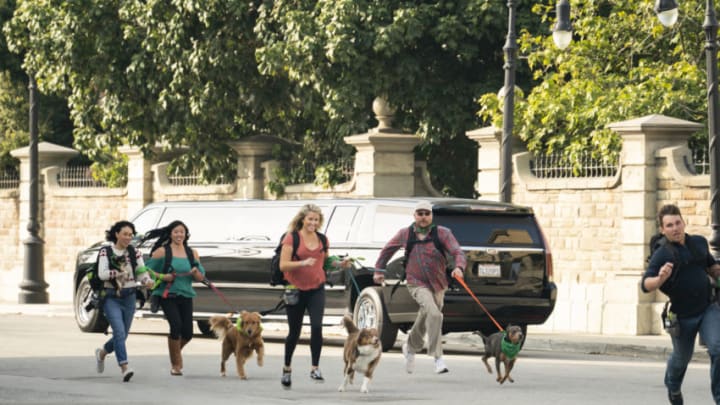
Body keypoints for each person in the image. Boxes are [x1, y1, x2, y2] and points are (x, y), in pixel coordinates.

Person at [372, 200, 466, 374]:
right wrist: (379, 270)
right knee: (435, 314)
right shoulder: (405, 234)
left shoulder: (443, 233)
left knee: (426, 314)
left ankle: (410, 346)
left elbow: (457, 252)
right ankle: (438, 358)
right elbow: (387, 250)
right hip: (416, 282)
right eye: (420, 213)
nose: (423, 217)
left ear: (431, 215)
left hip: (438, 283)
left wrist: (459, 267)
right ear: (414, 216)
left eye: (427, 214)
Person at [642, 204, 720, 405]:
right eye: (669, 225)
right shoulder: (662, 254)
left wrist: (717, 271)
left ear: (683, 222)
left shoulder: (699, 243)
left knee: (718, 348)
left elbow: (711, 267)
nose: (675, 228)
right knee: (681, 359)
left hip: (707, 308)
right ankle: (673, 386)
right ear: (662, 229)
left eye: (678, 223)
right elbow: (645, 284)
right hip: (682, 316)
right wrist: (659, 278)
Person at [278, 203, 350, 389]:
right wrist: (302, 263)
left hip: (317, 288)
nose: (313, 222)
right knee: (294, 332)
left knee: (317, 327)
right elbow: (283, 265)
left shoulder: (323, 239)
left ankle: (315, 367)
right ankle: (287, 368)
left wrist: (340, 264)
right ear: (303, 219)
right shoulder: (291, 238)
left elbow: (325, 263)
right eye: (310, 219)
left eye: (316, 220)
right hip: (295, 289)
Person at [143, 220, 206, 376]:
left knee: (188, 333)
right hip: (167, 295)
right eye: (176, 232)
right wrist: (163, 277)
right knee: (176, 326)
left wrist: (196, 273)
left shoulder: (193, 253)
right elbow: (146, 271)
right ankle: (176, 364)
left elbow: (201, 276)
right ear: (170, 234)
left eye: (182, 232)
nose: (179, 234)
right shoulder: (162, 252)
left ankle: (174, 351)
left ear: (186, 234)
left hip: (186, 294)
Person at [94, 220, 154, 382]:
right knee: (119, 332)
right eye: (125, 234)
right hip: (111, 297)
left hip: (129, 296)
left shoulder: (135, 253)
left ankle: (102, 353)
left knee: (123, 335)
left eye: (130, 235)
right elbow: (102, 274)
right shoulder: (106, 252)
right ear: (116, 234)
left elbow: (141, 272)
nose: (128, 238)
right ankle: (124, 367)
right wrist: (118, 274)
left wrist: (147, 281)